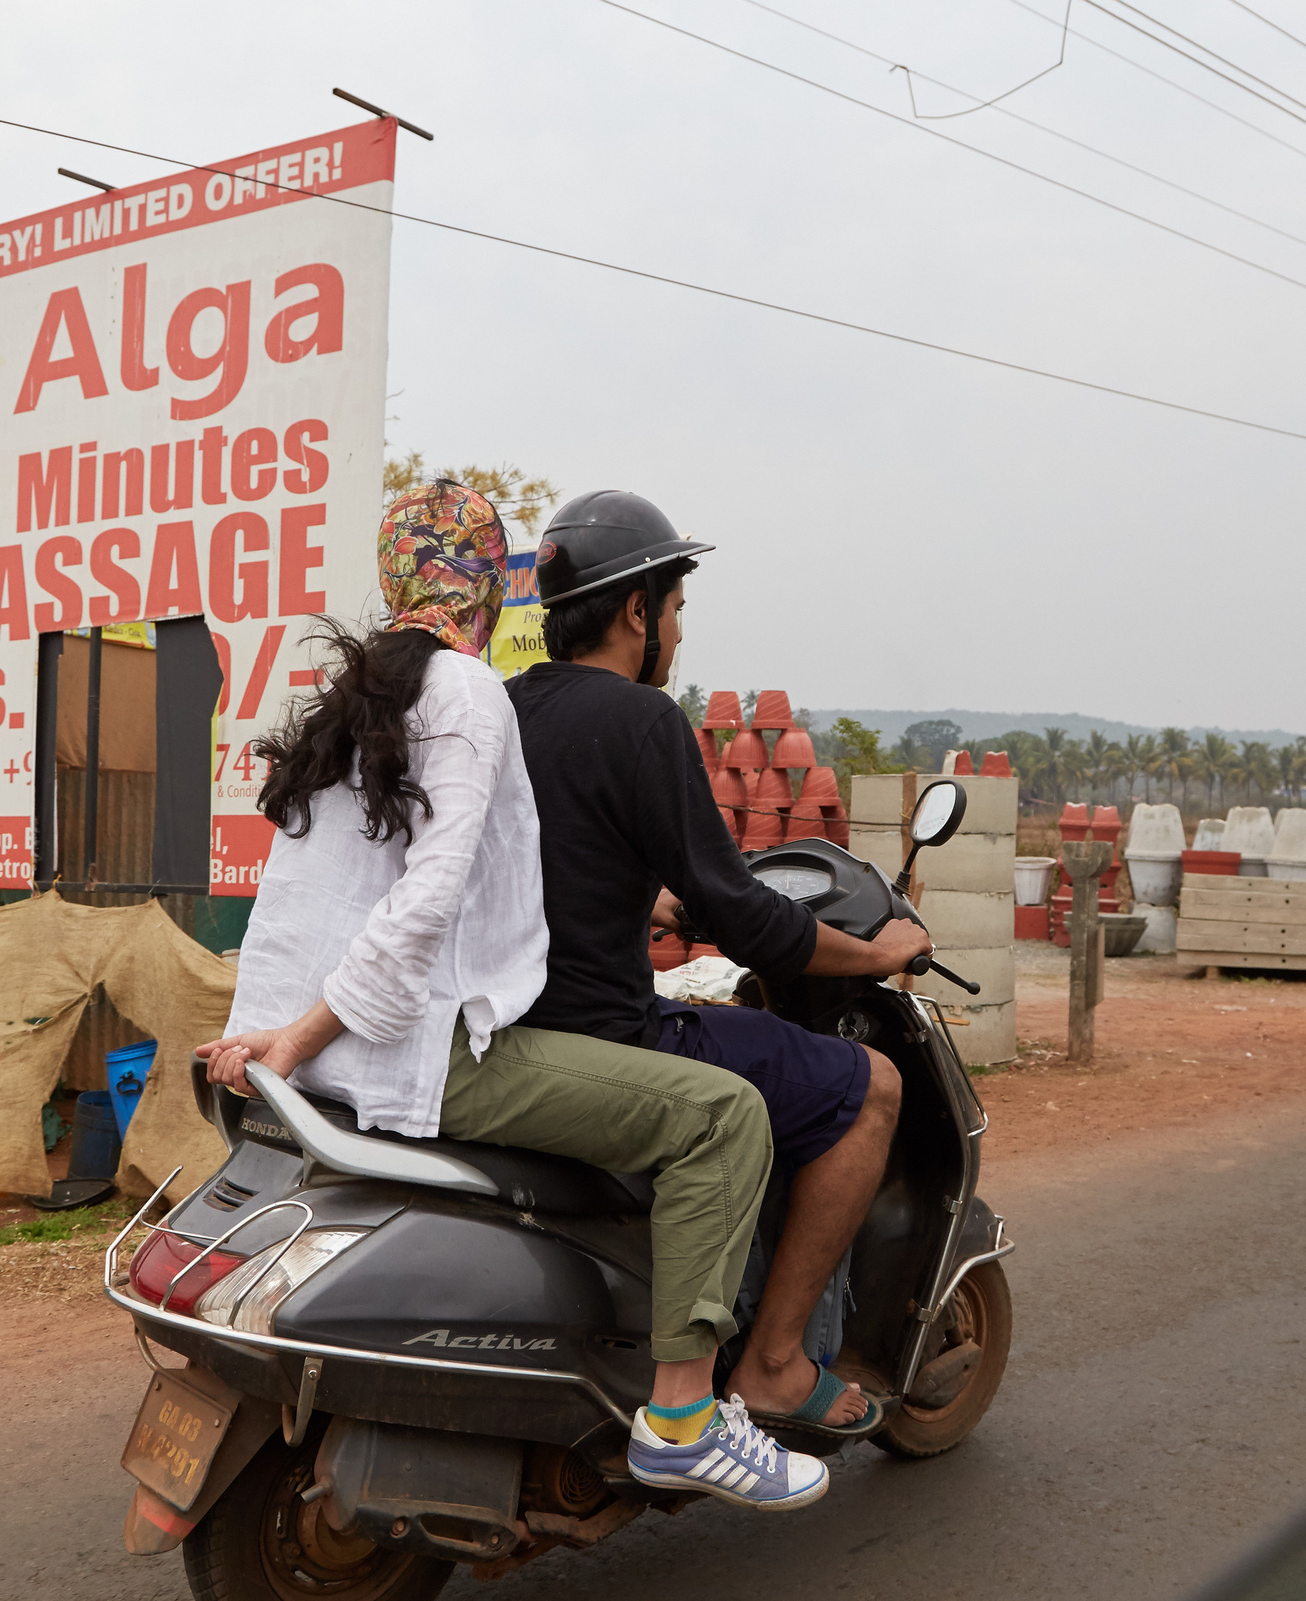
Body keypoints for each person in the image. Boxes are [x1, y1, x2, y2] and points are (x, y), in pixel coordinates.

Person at [194, 480, 829, 1510]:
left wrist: (275, 1034)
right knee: (722, 1116)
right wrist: (302, 1033)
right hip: (425, 1055)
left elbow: (300, 900)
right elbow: (427, 898)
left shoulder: (351, 697)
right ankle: (681, 1418)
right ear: (497, 586)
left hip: (335, 1054)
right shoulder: (467, 691)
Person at [506, 489, 932, 1436]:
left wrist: (642, 894)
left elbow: (551, 855)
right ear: (634, 612)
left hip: (518, 1035)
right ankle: (776, 1364)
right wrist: (876, 949)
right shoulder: (643, 720)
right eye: (678, 608)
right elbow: (748, 919)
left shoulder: (507, 710)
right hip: (609, 1037)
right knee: (869, 1087)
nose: (679, 631)